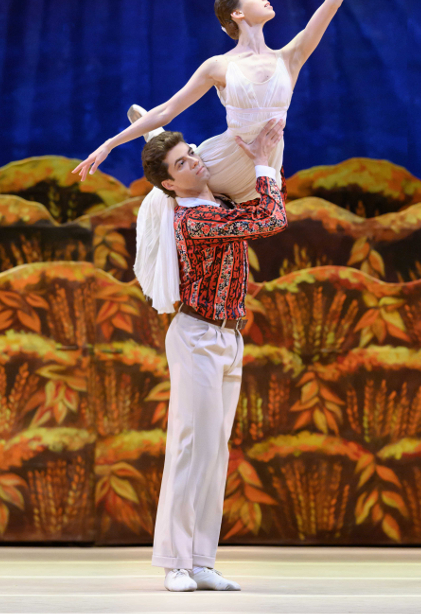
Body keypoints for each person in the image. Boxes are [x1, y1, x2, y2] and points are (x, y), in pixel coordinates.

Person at [72, 0, 388, 312]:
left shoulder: (289, 58)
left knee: (237, 234)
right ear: (237, 14)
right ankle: (156, 144)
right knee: (178, 201)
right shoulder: (219, 66)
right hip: (225, 159)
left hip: (262, 166)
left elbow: (332, 1)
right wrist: (109, 144)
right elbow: (169, 108)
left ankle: (158, 143)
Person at [140, 119, 287, 592]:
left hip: (228, 337)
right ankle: (175, 562)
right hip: (197, 335)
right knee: (189, 447)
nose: (195, 162)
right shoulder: (193, 219)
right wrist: (262, 163)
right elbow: (269, 219)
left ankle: (201, 559)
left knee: (214, 450)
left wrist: (261, 157)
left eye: (191, 153)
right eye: (182, 163)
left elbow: (258, 202)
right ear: (169, 184)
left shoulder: (219, 203)